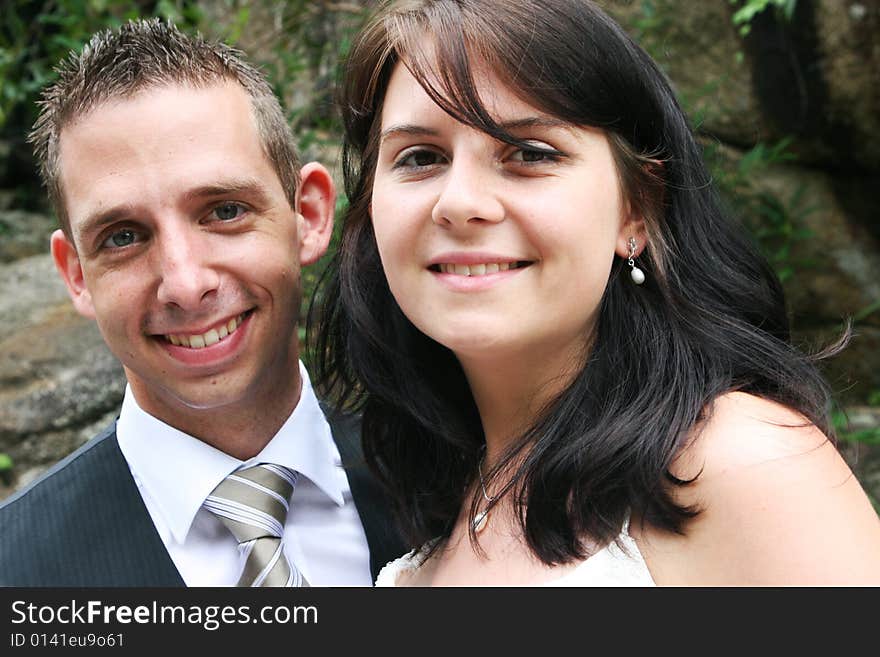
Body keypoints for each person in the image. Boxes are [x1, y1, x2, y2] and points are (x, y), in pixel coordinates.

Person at [310, 0, 880, 585]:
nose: (458, 202)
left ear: (637, 210)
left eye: (529, 153)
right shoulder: (422, 517)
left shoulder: (740, 460)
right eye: (421, 157)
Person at [0, 18, 404, 586]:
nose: (186, 285)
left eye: (224, 211)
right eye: (123, 236)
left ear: (308, 215)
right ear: (76, 275)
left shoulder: (456, 492)